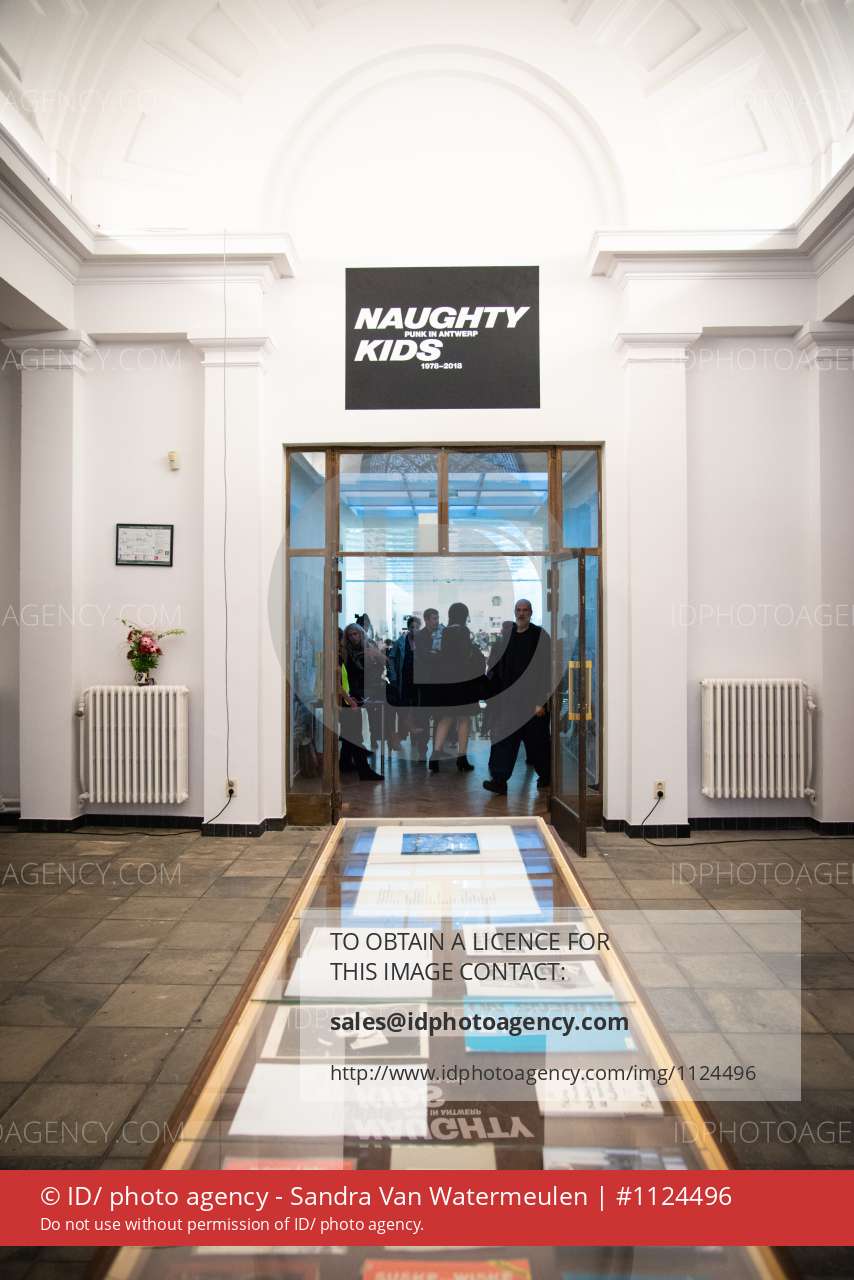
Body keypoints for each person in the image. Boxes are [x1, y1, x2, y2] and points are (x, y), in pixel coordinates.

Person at [483, 599, 551, 794]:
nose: (521, 614)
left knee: (538, 742)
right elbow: (499, 667)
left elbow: (545, 670)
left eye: (525, 610)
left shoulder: (540, 636)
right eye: (518, 610)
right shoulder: (508, 637)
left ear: (531, 612)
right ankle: (499, 780)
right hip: (510, 701)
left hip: (532, 701)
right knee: (504, 740)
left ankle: (546, 776)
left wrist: (540, 701)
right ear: (514, 612)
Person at [428, 602, 486, 773]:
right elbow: (466, 655)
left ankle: (435, 756)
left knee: (446, 718)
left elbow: (439, 655)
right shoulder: (463, 631)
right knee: (464, 718)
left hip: (446, 681)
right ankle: (462, 758)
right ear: (464, 615)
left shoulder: (444, 631)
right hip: (463, 681)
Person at [339, 622, 383, 781]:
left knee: (350, 732)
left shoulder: (367, 648)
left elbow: (379, 667)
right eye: (349, 635)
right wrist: (349, 698)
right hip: (350, 696)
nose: (353, 637)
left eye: (355, 634)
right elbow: (340, 681)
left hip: (357, 694)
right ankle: (363, 770)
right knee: (354, 733)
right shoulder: (343, 654)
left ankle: (345, 763)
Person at [386, 615, 428, 759]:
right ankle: (403, 736)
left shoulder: (423, 641)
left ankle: (419, 743)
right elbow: (391, 659)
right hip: (404, 681)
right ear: (408, 627)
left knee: (419, 710)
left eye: (417, 627)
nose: (414, 630)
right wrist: (393, 676)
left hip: (420, 681)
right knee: (404, 708)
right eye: (412, 627)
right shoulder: (401, 641)